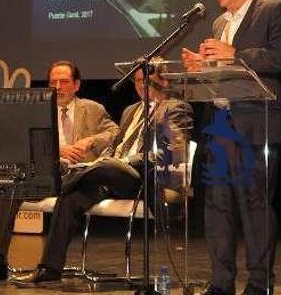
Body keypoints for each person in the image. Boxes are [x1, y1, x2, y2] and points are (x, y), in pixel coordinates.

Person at [11, 61, 193, 285]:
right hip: (111, 176)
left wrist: (120, 161)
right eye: (137, 81)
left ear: (164, 81)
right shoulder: (131, 111)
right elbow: (116, 145)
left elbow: (170, 153)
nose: (141, 86)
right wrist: (106, 159)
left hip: (144, 177)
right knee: (70, 198)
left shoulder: (175, 108)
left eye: (147, 81)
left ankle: (59, 183)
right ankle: (49, 268)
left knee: (107, 166)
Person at [181, 0, 281, 295]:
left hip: (258, 124)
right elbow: (225, 74)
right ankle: (220, 284)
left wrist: (234, 53)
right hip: (220, 126)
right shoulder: (219, 23)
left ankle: (259, 285)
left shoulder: (275, 10)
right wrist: (201, 68)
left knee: (254, 206)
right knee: (217, 208)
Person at [0, 60, 120, 281]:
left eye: (64, 81)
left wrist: (90, 141)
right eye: (53, 82)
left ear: (76, 85)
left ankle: (47, 267)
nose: (58, 87)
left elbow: (115, 133)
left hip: (78, 176)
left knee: (69, 194)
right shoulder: (38, 109)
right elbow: (22, 142)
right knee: (6, 189)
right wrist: (57, 150)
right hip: (45, 174)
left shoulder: (92, 109)